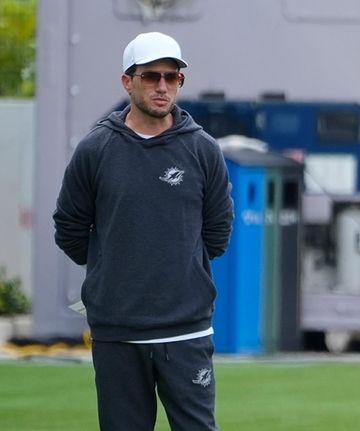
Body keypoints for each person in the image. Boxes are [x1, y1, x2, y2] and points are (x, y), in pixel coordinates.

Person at [53, 32, 233, 430]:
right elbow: (69, 227)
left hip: (187, 330)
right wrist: (111, 266)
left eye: (173, 77)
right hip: (118, 332)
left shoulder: (203, 150)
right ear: (127, 81)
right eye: (151, 76)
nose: (163, 86)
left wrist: (182, 270)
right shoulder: (96, 149)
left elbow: (218, 231)